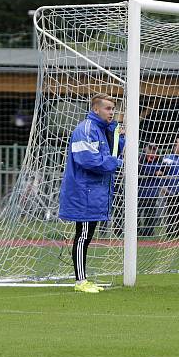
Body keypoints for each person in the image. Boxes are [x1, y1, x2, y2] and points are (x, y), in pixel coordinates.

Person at [59, 93, 124, 293]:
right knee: (83, 236)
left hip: (94, 192)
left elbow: (113, 152)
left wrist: (120, 137)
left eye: (113, 109)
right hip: (84, 192)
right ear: (96, 109)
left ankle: (83, 279)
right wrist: (115, 163)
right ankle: (80, 281)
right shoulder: (85, 128)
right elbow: (87, 159)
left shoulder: (103, 129)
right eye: (108, 108)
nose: (112, 112)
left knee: (86, 235)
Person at [138, 144, 163, 237]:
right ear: (146, 149)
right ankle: (137, 231)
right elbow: (139, 170)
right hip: (140, 191)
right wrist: (153, 173)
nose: (152, 151)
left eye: (154, 149)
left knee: (151, 213)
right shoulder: (141, 158)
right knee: (138, 212)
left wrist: (161, 172)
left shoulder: (159, 159)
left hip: (153, 191)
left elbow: (165, 168)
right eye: (150, 149)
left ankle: (149, 232)